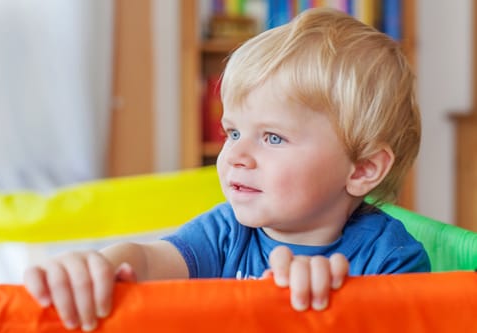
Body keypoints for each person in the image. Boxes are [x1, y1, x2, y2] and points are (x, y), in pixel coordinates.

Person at [24, 8, 430, 332]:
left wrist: (339, 310)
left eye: (272, 138)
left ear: (362, 169)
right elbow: (146, 263)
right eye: (233, 132)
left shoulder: (391, 259)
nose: (236, 155)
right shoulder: (226, 233)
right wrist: (103, 265)